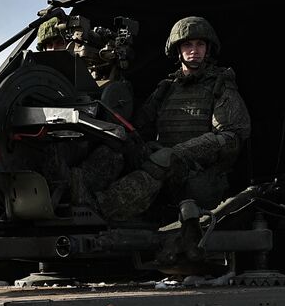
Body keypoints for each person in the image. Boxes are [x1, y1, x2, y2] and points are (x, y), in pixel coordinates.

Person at [96, 16, 251, 221]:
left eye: (200, 44)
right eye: (187, 44)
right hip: (164, 169)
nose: (194, 50)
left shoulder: (220, 86)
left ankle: (104, 211)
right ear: (178, 50)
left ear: (208, 49)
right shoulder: (167, 88)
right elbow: (139, 128)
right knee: (113, 149)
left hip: (201, 175)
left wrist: (179, 152)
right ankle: (80, 200)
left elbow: (230, 137)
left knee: (165, 158)